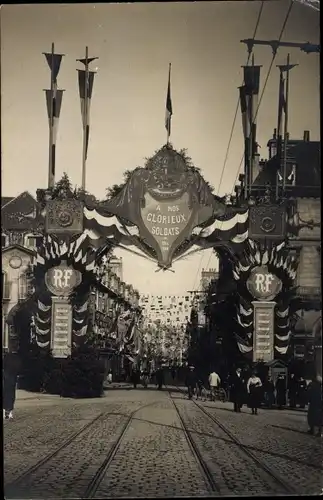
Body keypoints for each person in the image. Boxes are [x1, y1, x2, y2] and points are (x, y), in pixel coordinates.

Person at [3, 351, 21, 420]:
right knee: (11, 396)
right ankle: (9, 412)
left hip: (7, 379)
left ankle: (7, 412)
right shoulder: (16, 359)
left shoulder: (7, 358)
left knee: (7, 395)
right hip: (11, 380)